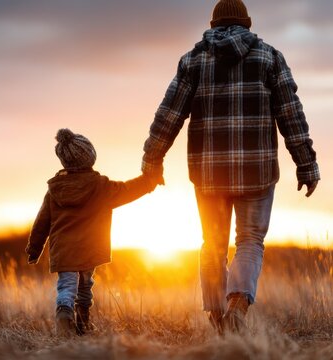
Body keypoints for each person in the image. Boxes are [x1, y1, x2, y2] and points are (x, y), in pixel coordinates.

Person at [141, 0, 320, 334]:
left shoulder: (192, 60)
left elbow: (168, 115)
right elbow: (291, 115)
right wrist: (306, 164)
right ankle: (238, 305)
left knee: (212, 244)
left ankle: (217, 319)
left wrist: (152, 159)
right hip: (257, 171)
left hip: (209, 174)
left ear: (212, 24)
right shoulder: (270, 57)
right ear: (248, 24)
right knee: (250, 240)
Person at [26, 128, 162, 336]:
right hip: (89, 250)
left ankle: (64, 313)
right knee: (85, 287)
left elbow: (42, 221)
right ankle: (83, 322)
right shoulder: (100, 186)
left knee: (66, 287)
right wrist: (149, 181)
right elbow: (128, 190)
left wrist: (34, 249)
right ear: (90, 156)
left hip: (63, 251)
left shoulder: (54, 189)